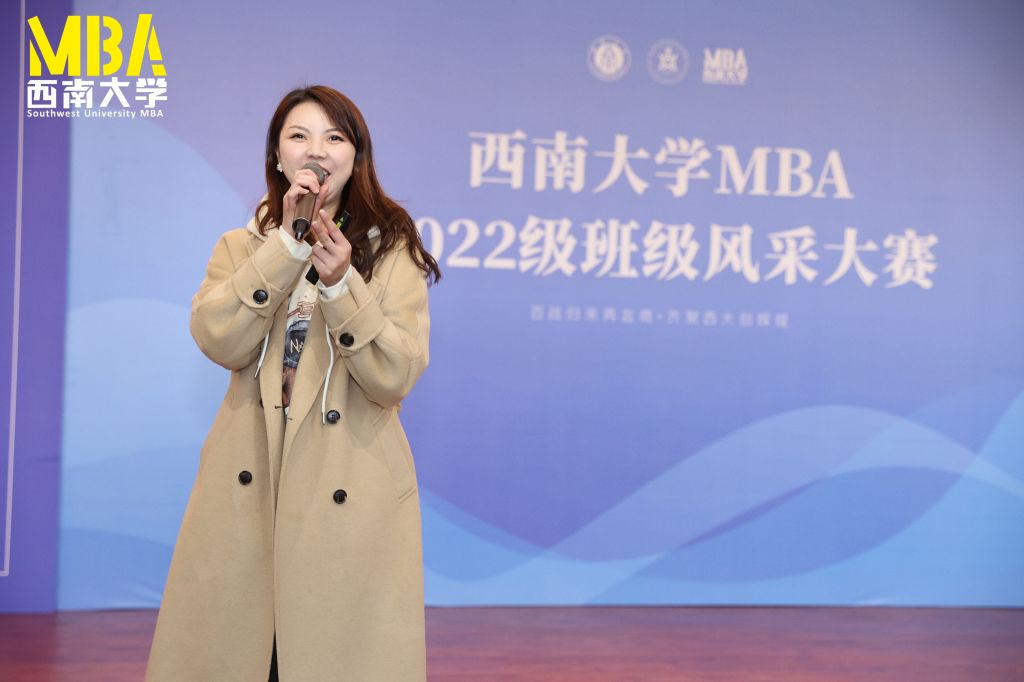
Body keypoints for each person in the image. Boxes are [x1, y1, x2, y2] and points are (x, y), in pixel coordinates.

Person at [145, 85, 440, 681]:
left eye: (335, 137)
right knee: (242, 655)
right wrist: (285, 247)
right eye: (299, 136)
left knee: (332, 656)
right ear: (278, 157)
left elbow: (396, 376)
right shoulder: (242, 247)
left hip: (349, 484)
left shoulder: (391, 250)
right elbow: (219, 339)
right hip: (250, 479)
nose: (317, 150)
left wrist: (341, 285)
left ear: (356, 157)